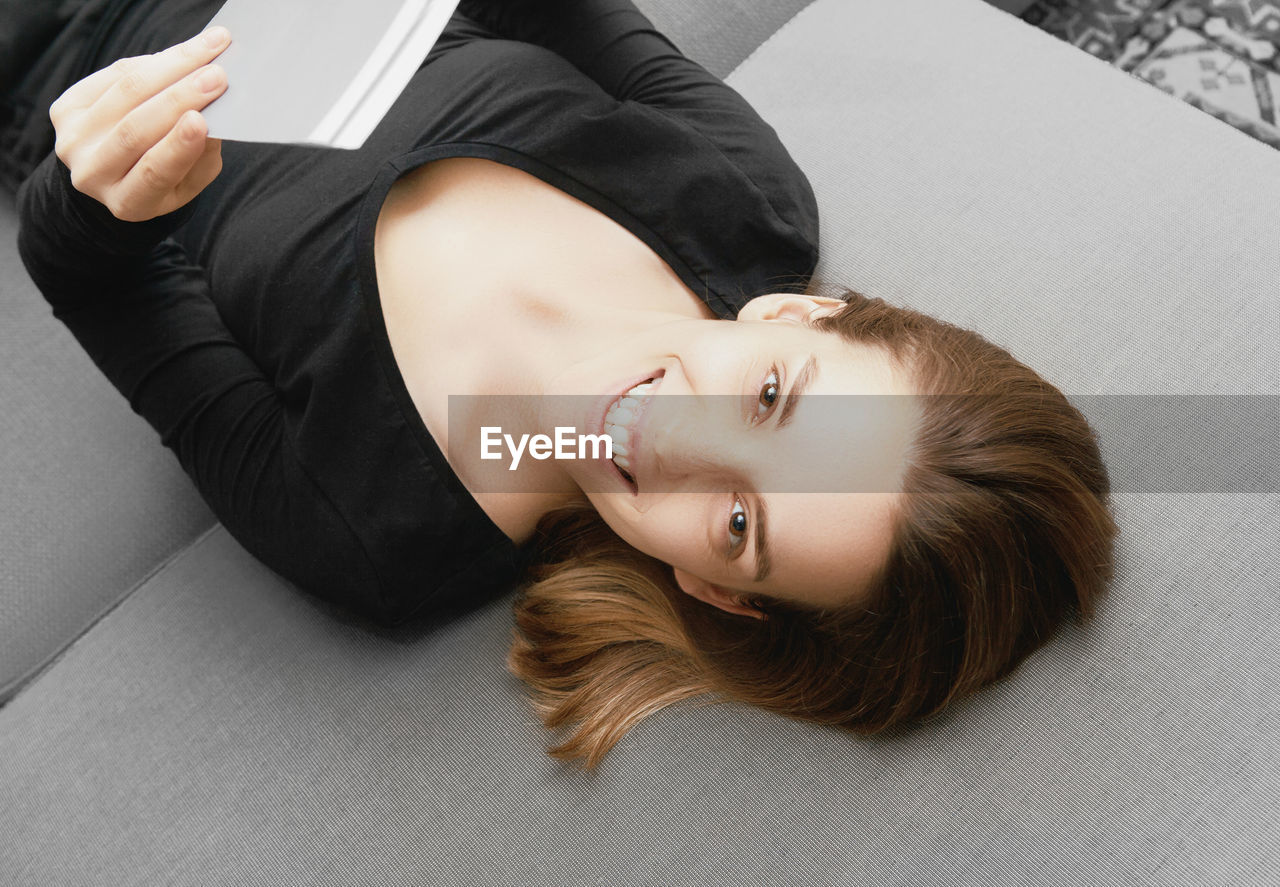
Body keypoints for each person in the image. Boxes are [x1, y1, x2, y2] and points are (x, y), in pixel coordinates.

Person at [4, 0, 1117, 768]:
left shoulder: (377, 524)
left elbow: (91, 281)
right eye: (772, 397)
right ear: (795, 315)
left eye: (736, 517)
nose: (676, 437)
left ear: (716, 589)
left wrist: (96, 190)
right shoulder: (741, 203)